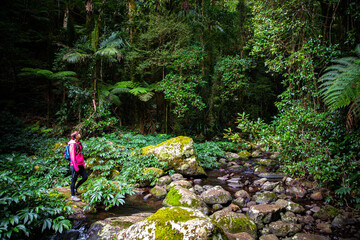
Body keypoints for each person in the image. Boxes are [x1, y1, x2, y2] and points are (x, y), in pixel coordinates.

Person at [68, 131, 88, 202]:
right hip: (74, 165)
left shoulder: (78, 142)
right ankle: (73, 196)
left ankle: (75, 188)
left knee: (85, 177)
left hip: (80, 164)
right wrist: (75, 166)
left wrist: (83, 163)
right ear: (76, 136)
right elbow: (72, 156)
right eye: (78, 134)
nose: (79, 134)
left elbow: (80, 154)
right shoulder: (72, 144)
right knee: (74, 179)